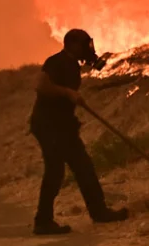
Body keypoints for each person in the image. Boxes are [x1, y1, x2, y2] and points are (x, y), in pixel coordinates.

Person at [30, 28, 129, 235]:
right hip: (50, 126)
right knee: (55, 171)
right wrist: (66, 92)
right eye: (85, 44)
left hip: (62, 126)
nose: (88, 49)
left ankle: (99, 212)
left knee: (84, 167)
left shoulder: (72, 65)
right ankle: (43, 221)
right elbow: (40, 85)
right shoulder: (57, 61)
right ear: (73, 45)